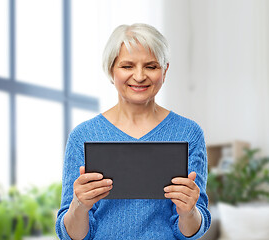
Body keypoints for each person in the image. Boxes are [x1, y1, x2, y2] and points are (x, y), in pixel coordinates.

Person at [55, 23, 211, 240]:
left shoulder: (189, 133)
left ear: (164, 71)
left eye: (151, 66)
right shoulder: (83, 136)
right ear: (111, 70)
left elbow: (192, 231)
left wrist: (189, 211)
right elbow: (71, 235)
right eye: (127, 66)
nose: (139, 76)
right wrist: (79, 206)